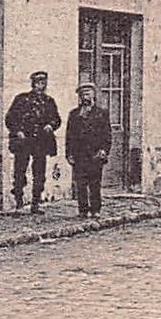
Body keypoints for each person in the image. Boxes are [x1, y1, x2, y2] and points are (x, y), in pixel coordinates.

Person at [4, 71, 62, 214]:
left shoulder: (49, 101)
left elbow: (57, 119)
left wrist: (51, 125)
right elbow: (10, 118)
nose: (40, 86)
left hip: (41, 142)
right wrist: (18, 131)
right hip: (23, 141)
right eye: (38, 83)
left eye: (43, 84)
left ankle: (36, 203)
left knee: (39, 173)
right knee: (19, 171)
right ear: (33, 84)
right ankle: (19, 203)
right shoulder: (21, 100)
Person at [65, 81, 112, 219]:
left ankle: (96, 209)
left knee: (95, 183)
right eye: (83, 94)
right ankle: (83, 210)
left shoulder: (101, 113)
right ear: (80, 97)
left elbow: (107, 134)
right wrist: (69, 154)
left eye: (88, 94)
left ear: (93, 95)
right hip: (79, 154)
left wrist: (104, 150)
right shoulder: (74, 114)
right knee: (81, 184)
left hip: (96, 153)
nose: (86, 97)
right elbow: (69, 136)